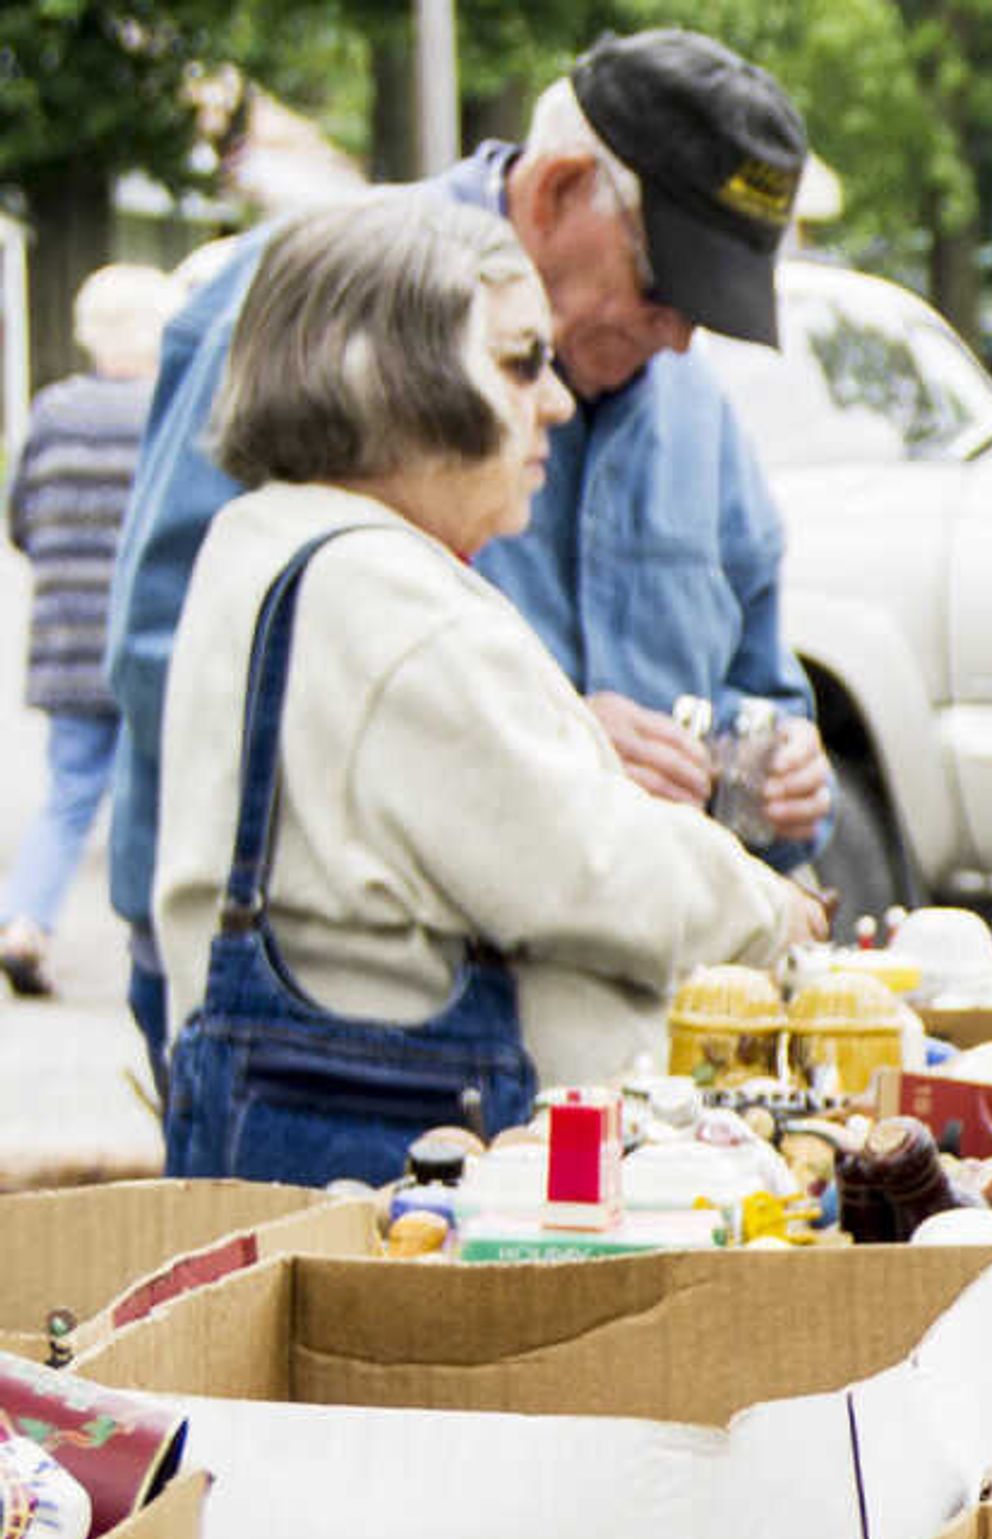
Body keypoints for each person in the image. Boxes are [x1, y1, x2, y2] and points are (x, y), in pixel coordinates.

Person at [105, 29, 835, 1080]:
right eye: (664, 286)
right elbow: (175, 661)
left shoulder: (696, 412)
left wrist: (760, 772)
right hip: (349, 1044)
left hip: (601, 1026)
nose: (681, 337)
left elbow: (762, 687)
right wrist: (533, 749)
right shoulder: (322, 295)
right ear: (560, 192)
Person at [3, 263, 172, 997]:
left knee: (70, 789)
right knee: (159, 790)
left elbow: (23, 518)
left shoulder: (52, 410)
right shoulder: (167, 412)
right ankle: (160, 945)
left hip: (66, 638)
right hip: (149, 638)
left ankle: (24, 924)